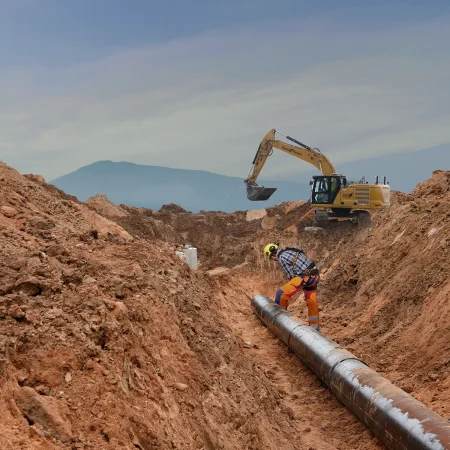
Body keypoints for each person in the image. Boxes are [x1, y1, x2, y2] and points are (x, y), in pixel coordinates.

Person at [264, 242, 320, 331]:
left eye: (272, 258)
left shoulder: (281, 257)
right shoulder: (290, 251)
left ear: (273, 254)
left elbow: (291, 276)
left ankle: (280, 323)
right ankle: (315, 329)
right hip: (314, 276)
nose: (274, 260)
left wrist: (295, 287)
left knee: (280, 293)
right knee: (312, 302)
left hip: (305, 278)